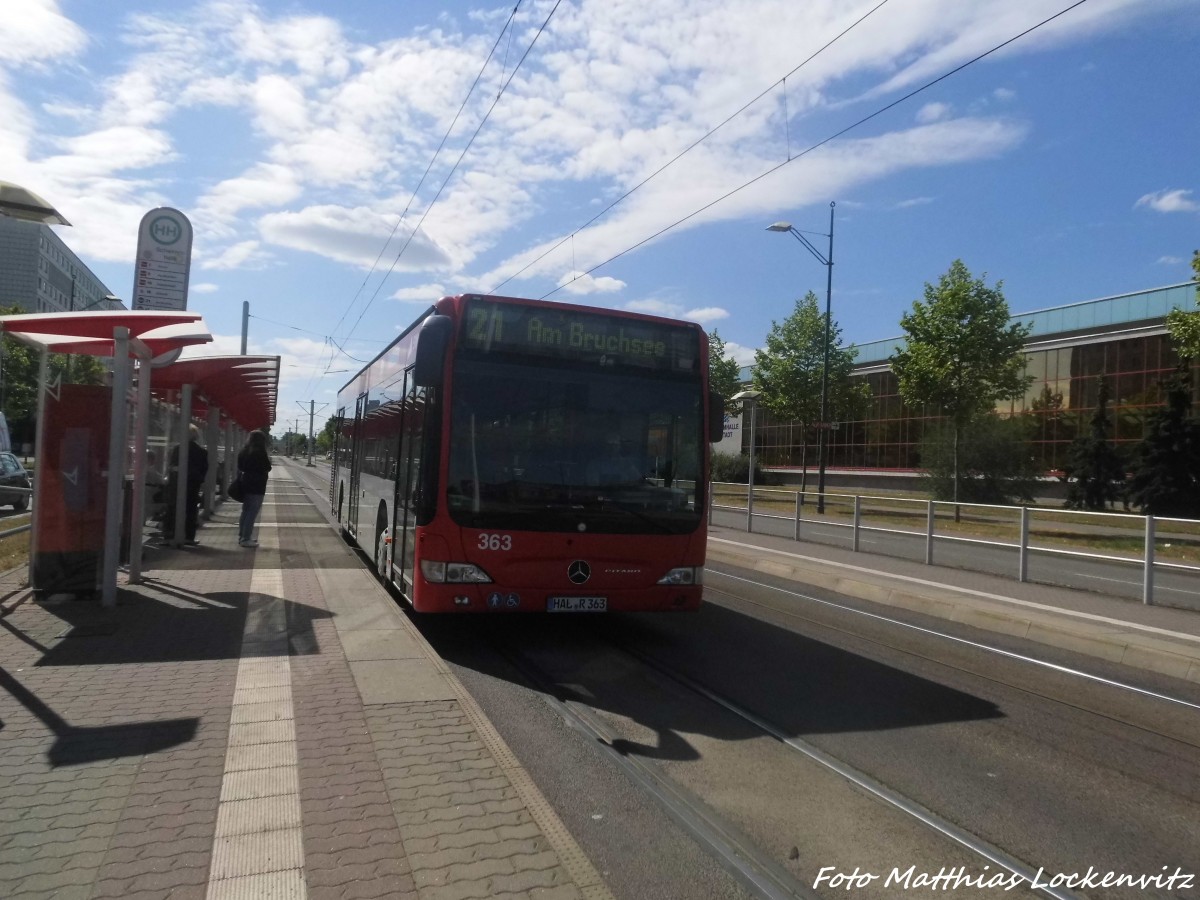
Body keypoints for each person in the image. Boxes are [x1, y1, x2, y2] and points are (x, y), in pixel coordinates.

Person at [167, 424, 209, 544]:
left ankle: (172, 534)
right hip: (193, 484)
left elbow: (172, 466)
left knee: (174, 507)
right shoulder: (201, 452)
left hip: (177, 484)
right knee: (191, 509)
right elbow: (204, 469)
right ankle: (189, 536)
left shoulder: (177, 449)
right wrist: (198, 479)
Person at [236, 429, 272, 548]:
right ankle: (246, 538)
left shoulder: (244, 451)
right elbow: (268, 467)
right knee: (252, 511)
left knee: (246, 510)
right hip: (257, 486)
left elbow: (240, 466)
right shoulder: (260, 452)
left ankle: (242, 535)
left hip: (246, 483)